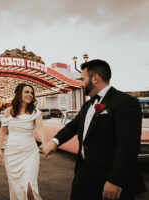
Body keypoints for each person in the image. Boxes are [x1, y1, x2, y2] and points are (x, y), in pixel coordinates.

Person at [42, 59, 147, 200]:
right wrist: (54, 141)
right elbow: (73, 126)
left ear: (95, 78)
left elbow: (128, 146)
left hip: (109, 178)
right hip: (84, 173)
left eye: (83, 79)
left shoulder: (125, 102)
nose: (80, 83)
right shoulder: (87, 105)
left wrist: (115, 180)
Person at [0, 83, 49, 200]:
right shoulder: (8, 111)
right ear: (18, 94)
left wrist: (45, 143)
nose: (30, 95)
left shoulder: (35, 112)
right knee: (18, 189)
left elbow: (40, 129)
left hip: (30, 153)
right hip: (12, 154)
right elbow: (3, 131)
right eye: (26, 92)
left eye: (31, 93)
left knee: (30, 189)